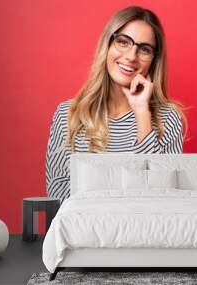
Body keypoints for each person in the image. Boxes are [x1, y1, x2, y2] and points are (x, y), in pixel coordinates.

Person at [46, 6, 188, 203]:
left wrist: (141, 113)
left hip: (147, 231)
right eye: (123, 42)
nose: (131, 56)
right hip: (85, 230)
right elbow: (58, 197)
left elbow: (162, 196)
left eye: (144, 49)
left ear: (153, 61)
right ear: (108, 45)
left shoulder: (169, 118)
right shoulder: (68, 114)